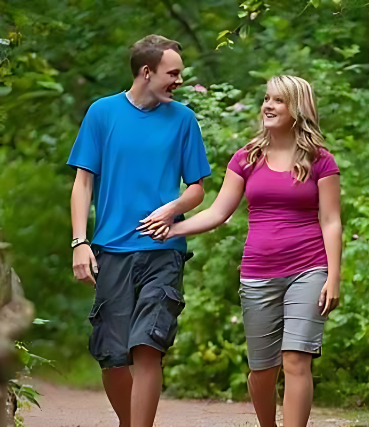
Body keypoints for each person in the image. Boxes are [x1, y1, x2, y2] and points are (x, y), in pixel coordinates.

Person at [142, 75, 342, 427]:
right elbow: (219, 212)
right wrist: (174, 228)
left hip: (309, 269)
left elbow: (330, 221)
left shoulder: (320, 161)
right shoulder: (246, 158)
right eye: (266, 99)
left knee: (297, 360)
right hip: (258, 273)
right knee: (262, 371)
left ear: (297, 108)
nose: (267, 105)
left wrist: (334, 277)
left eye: (278, 100)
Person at [68, 34, 211, 427]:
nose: (179, 80)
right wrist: (80, 242)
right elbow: (83, 183)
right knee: (113, 357)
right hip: (111, 250)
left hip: (163, 249)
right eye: (173, 73)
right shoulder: (102, 113)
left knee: (148, 345)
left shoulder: (183, 120)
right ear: (146, 72)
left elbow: (197, 188)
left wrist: (173, 208)